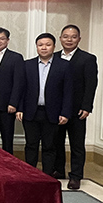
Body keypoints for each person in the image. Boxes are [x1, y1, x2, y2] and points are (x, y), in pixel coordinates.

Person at [17, 33, 73, 176]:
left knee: (49, 146)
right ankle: (30, 175)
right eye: (40, 45)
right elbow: (21, 89)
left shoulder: (64, 66)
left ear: (54, 46)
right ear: (36, 47)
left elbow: (68, 91)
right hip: (31, 112)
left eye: (48, 45)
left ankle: (47, 176)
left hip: (52, 113)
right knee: (31, 145)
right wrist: (20, 108)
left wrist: (65, 112)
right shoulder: (27, 65)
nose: (44, 48)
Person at [54, 25, 98, 190]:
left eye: (73, 37)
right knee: (56, 141)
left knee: (77, 144)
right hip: (57, 109)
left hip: (77, 109)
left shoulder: (87, 59)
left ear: (79, 39)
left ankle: (76, 176)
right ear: (60, 38)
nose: (69, 40)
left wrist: (87, 106)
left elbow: (91, 84)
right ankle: (59, 170)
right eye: (66, 36)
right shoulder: (54, 57)